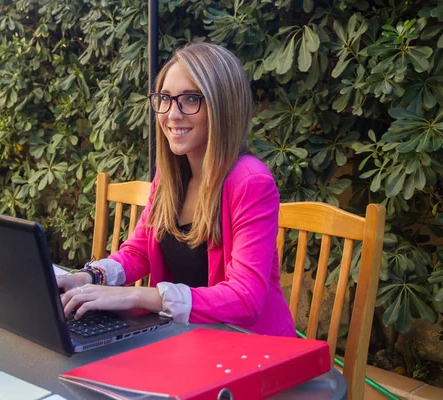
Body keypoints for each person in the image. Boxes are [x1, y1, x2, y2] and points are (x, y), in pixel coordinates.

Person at [57, 42, 296, 337]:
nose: (172, 114)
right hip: (190, 339)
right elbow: (140, 251)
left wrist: (137, 295)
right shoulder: (171, 177)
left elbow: (245, 298)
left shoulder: (250, 182)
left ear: (223, 107)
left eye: (191, 99)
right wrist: (87, 276)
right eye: (166, 98)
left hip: (251, 347)